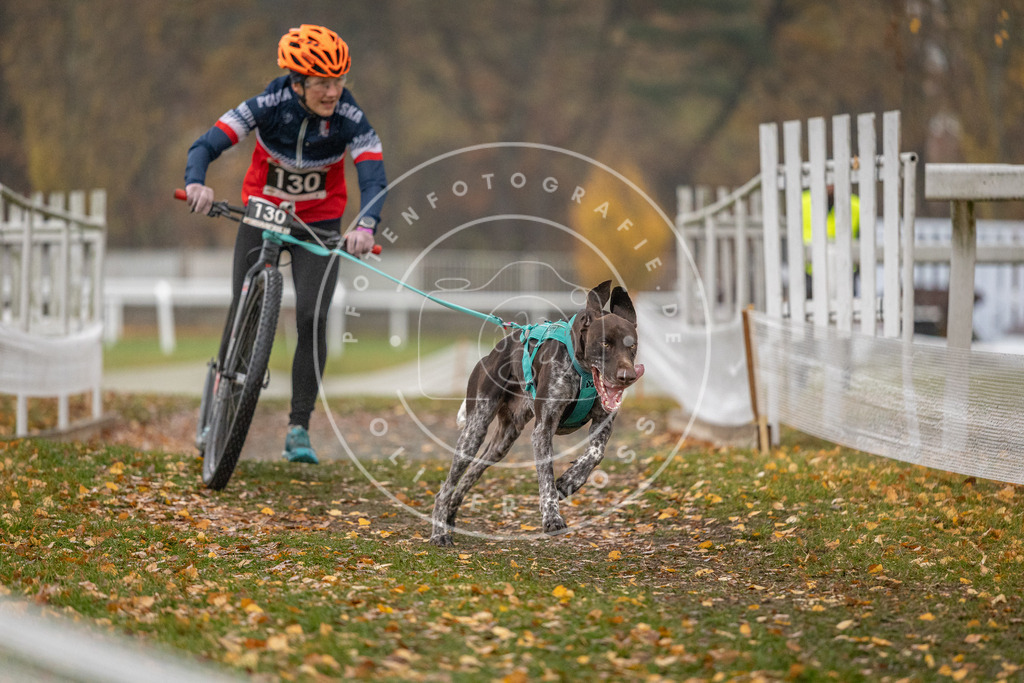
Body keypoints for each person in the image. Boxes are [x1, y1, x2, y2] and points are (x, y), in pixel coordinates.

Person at [183, 24, 387, 464]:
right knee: (243, 306)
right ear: (297, 83)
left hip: (319, 224)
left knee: (313, 316)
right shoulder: (267, 105)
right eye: (322, 83)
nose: (333, 92)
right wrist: (196, 182)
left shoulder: (350, 116)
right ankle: (220, 404)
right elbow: (206, 144)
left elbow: (373, 176)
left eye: (338, 81)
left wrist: (366, 225)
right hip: (262, 215)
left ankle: (299, 427)